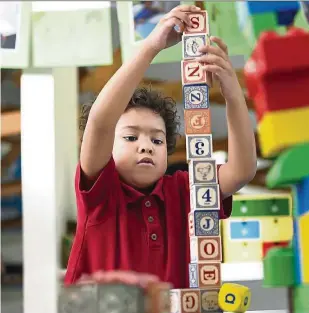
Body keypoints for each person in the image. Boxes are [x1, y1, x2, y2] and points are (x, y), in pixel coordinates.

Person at [64, 4, 257, 289]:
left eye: (157, 140)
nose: (146, 147)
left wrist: (232, 92)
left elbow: (241, 171)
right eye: (131, 137)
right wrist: (150, 47)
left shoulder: (181, 191)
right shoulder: (101, 195)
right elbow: (101, 122)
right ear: (107, 147)